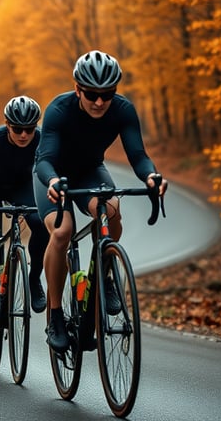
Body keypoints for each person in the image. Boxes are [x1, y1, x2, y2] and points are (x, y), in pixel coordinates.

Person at [33, 50, 168, 353]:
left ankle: (104, 268)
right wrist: (54, 181)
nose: (99, 102)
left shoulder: (122, 110)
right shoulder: (59, 109)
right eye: (92, 94)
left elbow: (138, 156)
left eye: (107, 94)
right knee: (62, 230)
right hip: (53, 175)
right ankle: (55, 316)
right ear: (78, 89)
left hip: (90, 171)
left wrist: (151, 177)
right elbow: (45, 159)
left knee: (110, 209)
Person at [0, 95, 49, 321]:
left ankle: (34, 279)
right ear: (7, 125)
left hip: (21, 188)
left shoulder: (42, 140)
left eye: (29, 129)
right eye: (17, 129)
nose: (24, 134)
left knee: (40, 224)